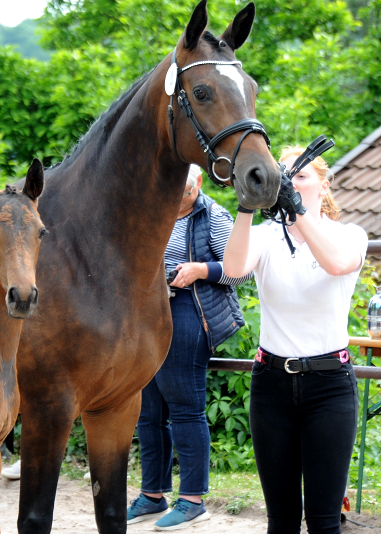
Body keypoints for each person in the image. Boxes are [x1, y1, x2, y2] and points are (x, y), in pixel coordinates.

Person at [223, 146, 368, 534]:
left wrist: (298, 214)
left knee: (323, 522)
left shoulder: (349, 235)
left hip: (329, 387)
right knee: (281, 520)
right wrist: (246, 206)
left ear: (324, 184)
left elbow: (335, 264)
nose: (290, 182)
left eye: (300, 175)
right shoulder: (266, 237)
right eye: (283, 175)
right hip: (271, 384)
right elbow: (233, 269)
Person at [126, 164, 252, 531]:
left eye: (184, 192)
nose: (178, 198)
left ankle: (193, 500)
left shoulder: (213, 214)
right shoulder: (154, 205)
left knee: (184, 408)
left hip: (188, 311)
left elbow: (241, 270)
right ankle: (153, 495)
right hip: (148, 312)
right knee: (148, 411)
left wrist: (200, 270)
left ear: (197, 184)